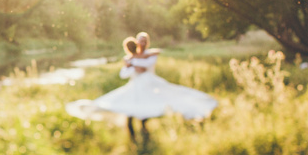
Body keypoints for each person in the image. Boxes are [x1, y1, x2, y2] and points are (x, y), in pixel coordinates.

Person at [65, 31, 218, 142]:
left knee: (153, 107)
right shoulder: (129, 58)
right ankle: (133, 138)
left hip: (150, 85)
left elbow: (147, 66)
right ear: (136, 43)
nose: (143, 43)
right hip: (135, 87)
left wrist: (134, 63)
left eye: (145, 40)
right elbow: (123, 74)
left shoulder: (150, 54)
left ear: (148, 42)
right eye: (140, 41)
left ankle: (145, 134)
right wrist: (132, 64)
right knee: (129, 110)